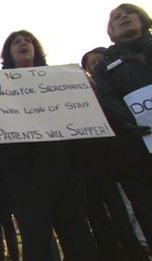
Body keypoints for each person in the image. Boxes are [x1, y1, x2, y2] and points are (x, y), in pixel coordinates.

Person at [0, 30, 97, 261]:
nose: (23, 44)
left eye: (28, 40)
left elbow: (80, 115)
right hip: (23, 175)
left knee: (76, 233)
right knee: (36, 237)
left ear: (36, 49)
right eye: (16, 42)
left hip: (65, 169)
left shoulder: (59, 79)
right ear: (8, 53)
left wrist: (87, 90)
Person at [82, 47, 149, 261]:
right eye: (90, 64)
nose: (95, 64)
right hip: (110, 164)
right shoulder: (81, 99)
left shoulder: (127, 83)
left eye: (99, 60)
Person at [94, 3, 152, 251]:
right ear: (111, 32)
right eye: (116, 17)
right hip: (137, 151)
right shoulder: (105, 66)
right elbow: (107, 100)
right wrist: (132, 122)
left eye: (128, 13)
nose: (123, 18)